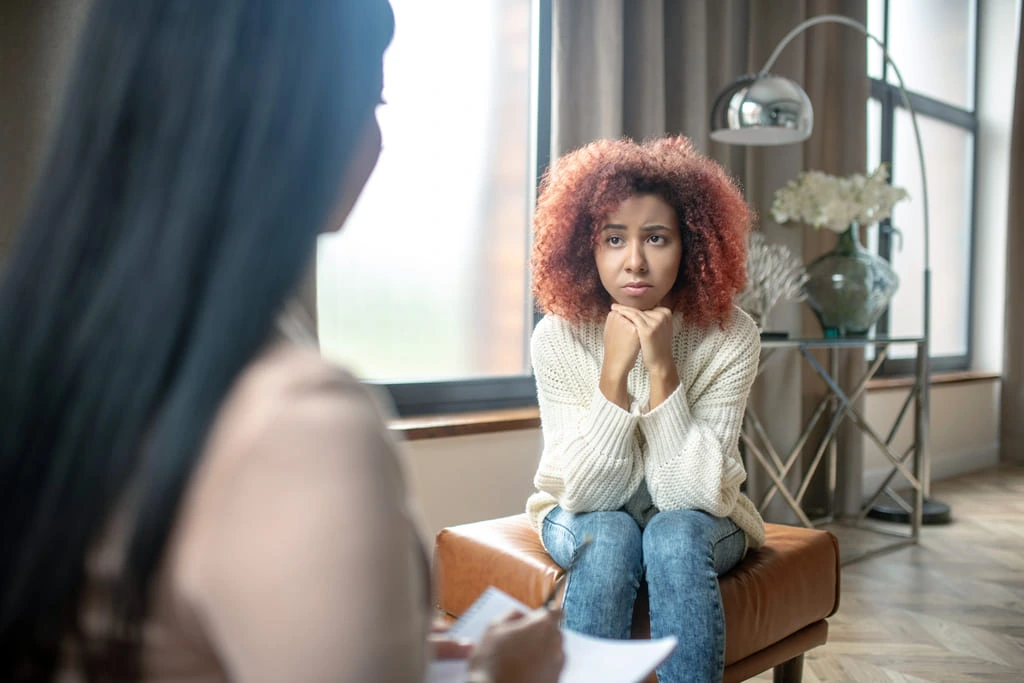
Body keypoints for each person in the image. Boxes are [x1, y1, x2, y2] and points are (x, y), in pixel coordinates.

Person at [0, 2, 563, 681]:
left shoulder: (44, 350)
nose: (379, 138)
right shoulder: (296, 424)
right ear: (299, 116)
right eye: (372, 98)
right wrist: (499, 673)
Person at [525, 136, 766, 683]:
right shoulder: (558, 337)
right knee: (607, 535)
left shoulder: (731, 336)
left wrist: (662, 370)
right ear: (586, 246)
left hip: (701, 516)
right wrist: (614, 372)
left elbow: (692, 494)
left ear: (692, 246)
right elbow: (586, 495)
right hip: (580, 509)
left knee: (673, 533)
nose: (634, 261)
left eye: (656, 238)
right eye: (614, 239)